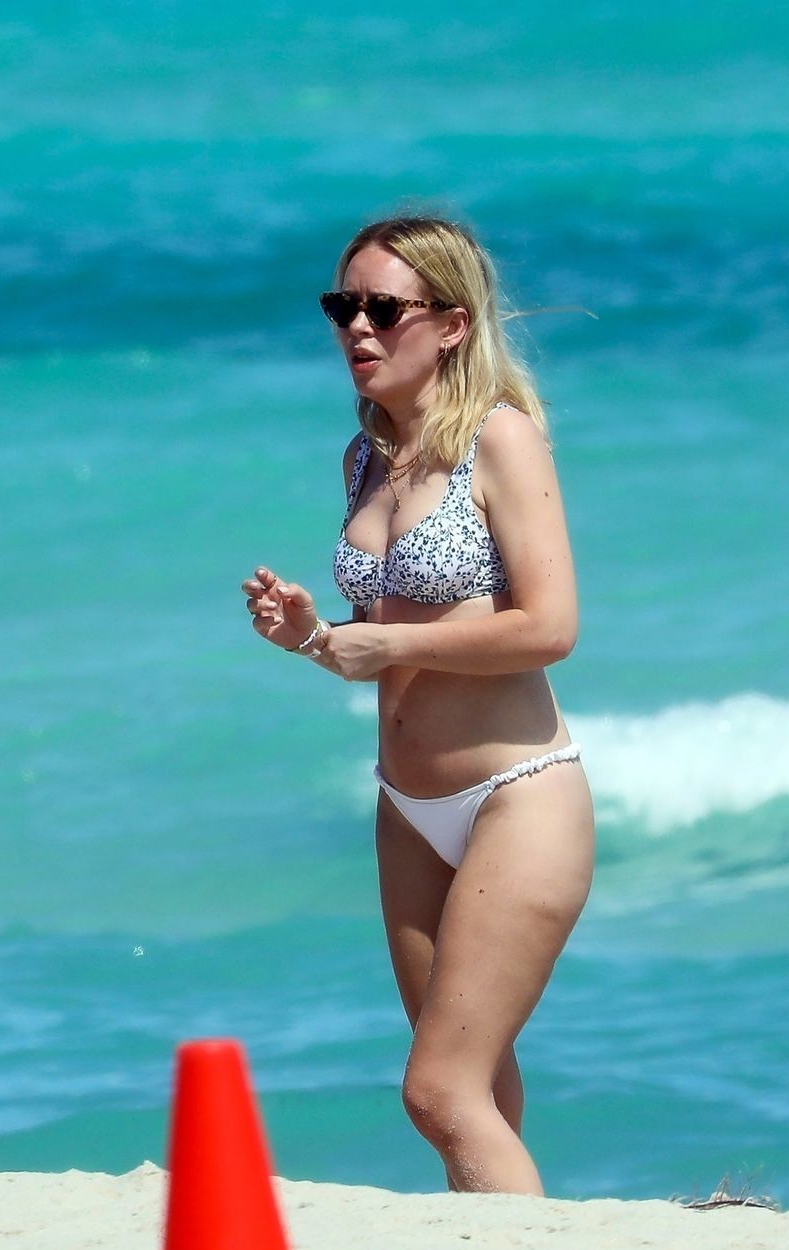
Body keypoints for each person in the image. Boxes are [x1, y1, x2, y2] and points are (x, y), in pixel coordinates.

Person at [242, 216, 592, 1195]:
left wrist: (388, 642)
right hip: (407, 807)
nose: (356, 327)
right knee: (474, 1089)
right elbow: (376, 643)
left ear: (450, 323)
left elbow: (550, 625)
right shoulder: (366, 459)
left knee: (439, 1091)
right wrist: (312, 636)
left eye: (382, 308)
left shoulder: (501, 439)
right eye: (341, 306)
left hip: (515, 796)